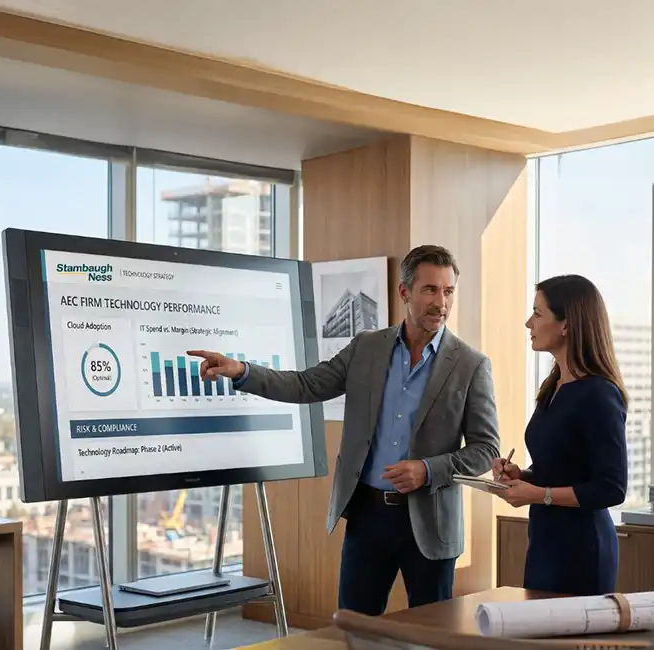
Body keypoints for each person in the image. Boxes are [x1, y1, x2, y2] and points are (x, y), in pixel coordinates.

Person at [188, 245, 500, 615]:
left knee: (431, 635)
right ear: (405, 292)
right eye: (430, 289)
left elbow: (486, 449)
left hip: (431, 522)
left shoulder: (470, 364)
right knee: (352, 627)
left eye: (448, 291)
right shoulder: (367, 348)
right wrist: (243, 371)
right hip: (367, 516)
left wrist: (428, 470)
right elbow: (307, 385)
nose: (441, 302)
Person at [492, 274, 628, 597]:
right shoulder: (553, 386)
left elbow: (611, 487)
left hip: (582, 550)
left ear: (566, 325)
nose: (529, 323)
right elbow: (560, 467)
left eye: (537, 314)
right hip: (544, 542)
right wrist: (521, 476)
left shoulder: (599, 394)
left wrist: (536, 494)